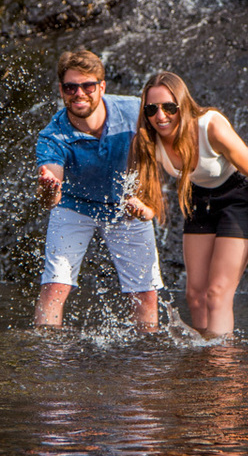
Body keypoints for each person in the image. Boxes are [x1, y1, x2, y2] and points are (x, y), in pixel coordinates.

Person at [127, 72, 248, 338]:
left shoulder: (210, 127)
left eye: (169, 108)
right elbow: (149, 203)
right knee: (195, 295)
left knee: (217, 293)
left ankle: (221, 362)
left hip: (237, 200)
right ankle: (203, 363)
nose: (161, 116)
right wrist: (140, 208)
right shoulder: (146, 141)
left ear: (182, 104)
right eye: (152, 109)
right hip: (197, 200)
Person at [34, 50, 163, 331]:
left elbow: (168, 144)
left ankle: (147, 356)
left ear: (101, 87)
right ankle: (45, 353)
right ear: (61, 90)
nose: (79, 93)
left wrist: (146, 198)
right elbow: (50, 199)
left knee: (144, 293)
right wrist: (49, 188)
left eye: (87, 86)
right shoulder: (52, 136)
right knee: (55, 286)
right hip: (73, 205)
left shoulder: (133, 112)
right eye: (70, 87)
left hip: (125, 204)